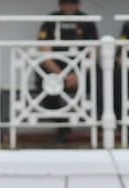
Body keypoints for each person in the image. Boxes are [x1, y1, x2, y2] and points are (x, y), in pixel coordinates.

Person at [35, 0, 100, 143]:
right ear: (60, 4)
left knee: (103, 80)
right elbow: (45, 53)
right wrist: (62, 76)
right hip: (57, 70)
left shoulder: (87, 21)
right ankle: (62, 127)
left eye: (72, 2)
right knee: (44, 83)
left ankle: (100, 126)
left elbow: (93, 53)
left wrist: (79, 74)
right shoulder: (51, 20)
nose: (68, 6)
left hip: (82, 70)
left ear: (79, 4)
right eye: (65, 2)